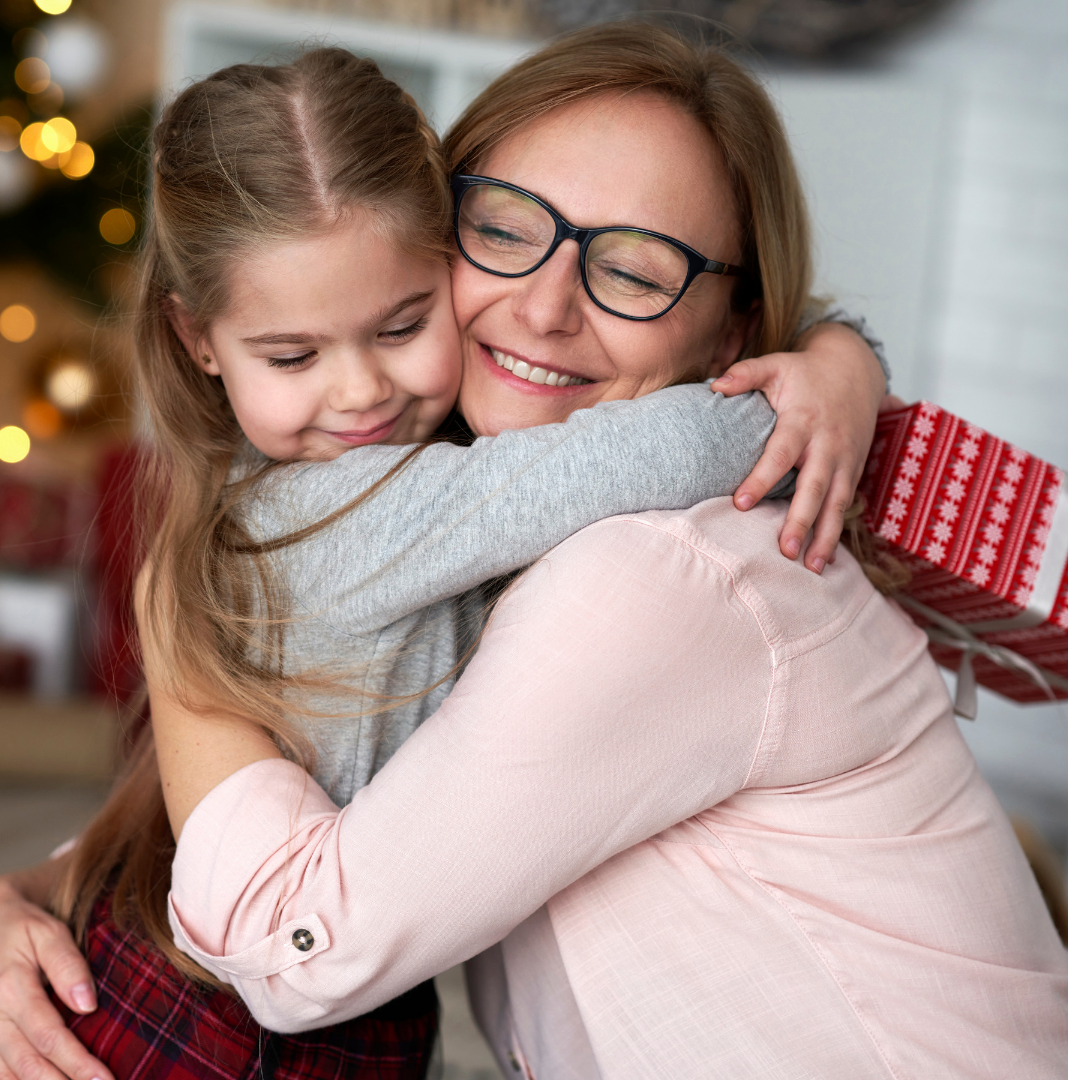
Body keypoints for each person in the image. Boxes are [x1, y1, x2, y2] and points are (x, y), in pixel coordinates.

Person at [144, 22, 1066, 1079]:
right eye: (502, 228)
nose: (542, 307)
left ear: (734, 333)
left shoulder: (656, 574)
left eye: (633, 271)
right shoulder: (456, 520)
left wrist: (171, 618)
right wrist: (25, 901)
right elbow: (291, 751)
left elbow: (294, 950)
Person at [0, 36, 889, 1080]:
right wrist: (823, 382)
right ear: (199, 342)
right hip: (223, 1028)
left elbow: (185, 803)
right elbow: (670, 445)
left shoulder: (389, 478)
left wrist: (837, 348)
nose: (362, 392)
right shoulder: (347, 508)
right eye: (293, 356)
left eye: (405, 322)